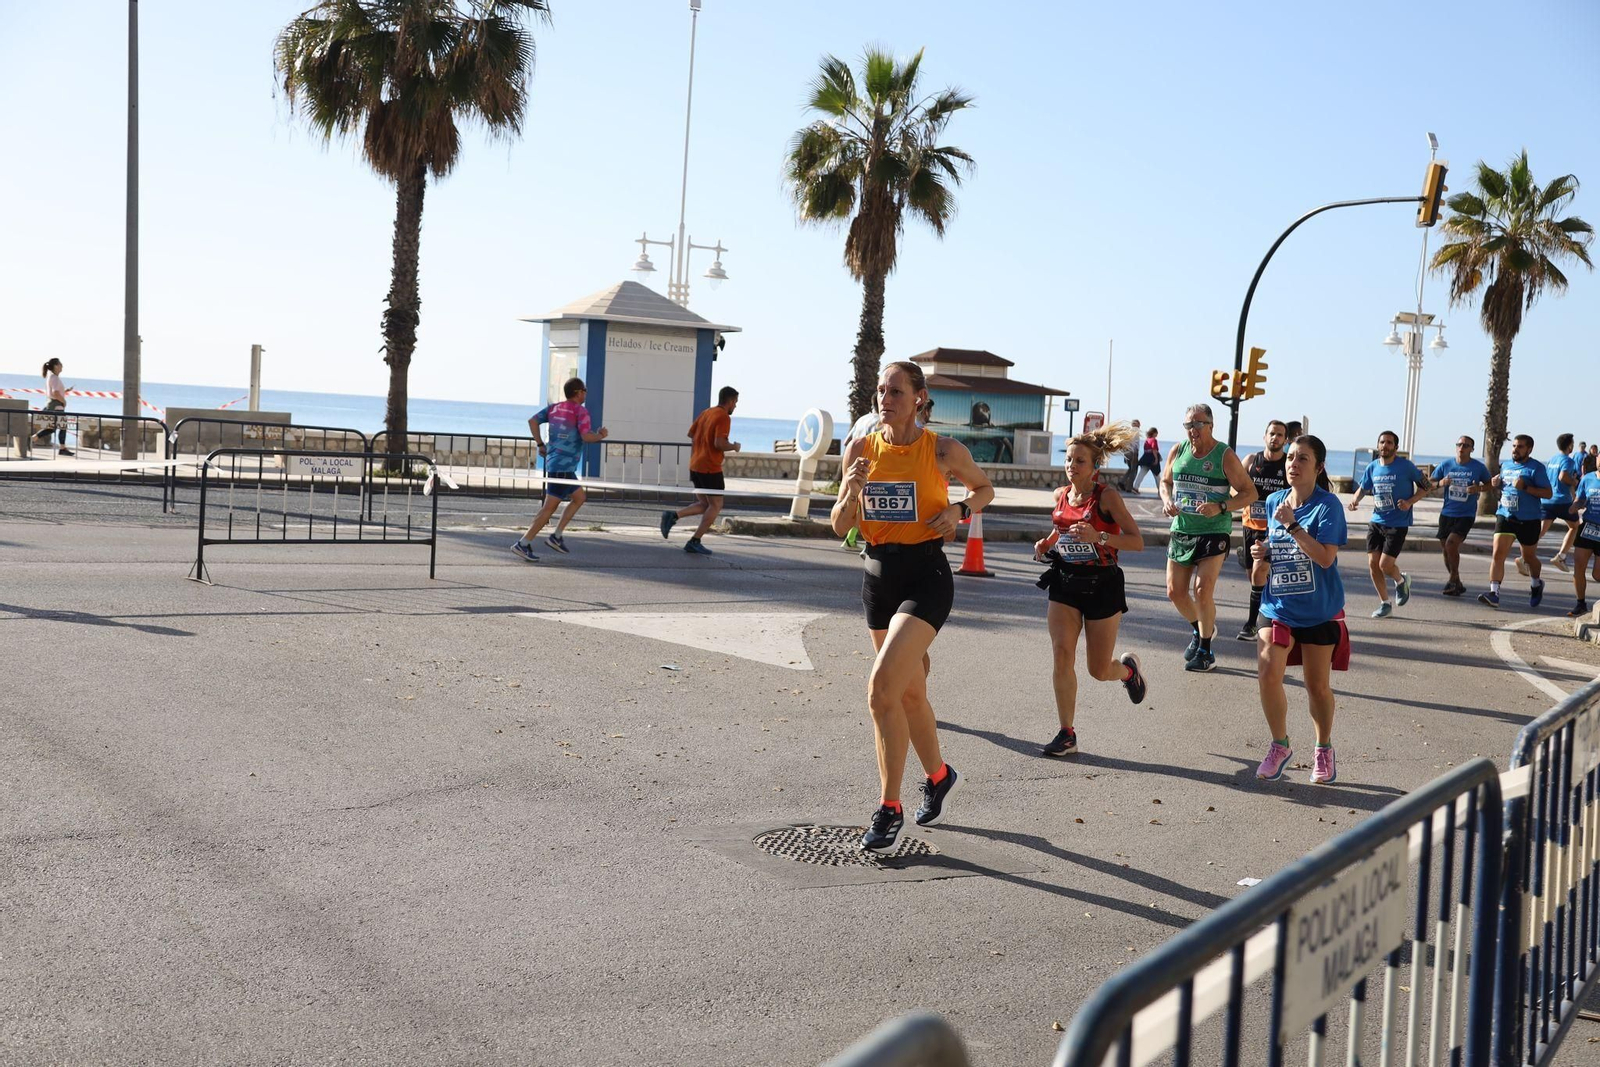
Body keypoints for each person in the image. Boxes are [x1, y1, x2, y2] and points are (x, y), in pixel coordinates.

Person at [830, 361, 994, 854]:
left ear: (919, 397)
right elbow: (840, 525)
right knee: (909, 696)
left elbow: (984, 488)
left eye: (896, 390)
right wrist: (853, 489)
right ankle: (940, 776)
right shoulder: (861, 449)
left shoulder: (941, 449)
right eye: (882, 390)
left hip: (927, 575)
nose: (886, 398)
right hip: (878, 576)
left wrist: (959, 511)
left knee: (881, 690)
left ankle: (888, 807)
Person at [1031, 424, 1148, 757]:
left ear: (1094, 466)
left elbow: (1137, 541)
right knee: (1062, 653)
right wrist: (1046, 543)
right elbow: (1062, 530)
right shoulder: (1061, 495)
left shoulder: (1106, 496)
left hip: (1102, 584)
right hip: (1065, 581)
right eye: (1068, 459)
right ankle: (1066, 733)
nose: (1072, 466)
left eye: (1079, 461)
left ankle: (1127, 671)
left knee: (1098, 670)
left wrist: (1100, 538)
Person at [1252, 434, 1350, 785]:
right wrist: (1261, 557)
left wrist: (1292, 525)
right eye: (1291, 457)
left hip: (1319, 611)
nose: (1293, 463)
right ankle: (1280, 746)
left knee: (1317, 687)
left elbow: (1325, 558)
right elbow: (1270, 557)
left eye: (1302, 458)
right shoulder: (1275, 501)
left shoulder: (1328, 506)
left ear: (1319, 466)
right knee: (1267, 675)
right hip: (1278, 606)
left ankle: (1323, 748)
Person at [1159, 403, 1257, 673]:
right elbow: (1165, 481)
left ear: (1211, 426)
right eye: (1189, 425)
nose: (1193, 430)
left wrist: (1221, 506)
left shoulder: (1224, 455)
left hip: (1214, 530)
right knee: (1174, 592)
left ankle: (1205, 650)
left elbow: (1250, 493)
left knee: (1202, 591)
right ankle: (1203, 629)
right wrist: (1167, 500)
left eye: (1198, 425)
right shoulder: (1177, 450)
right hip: (1182, 528)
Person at [511, 377, 608, 560]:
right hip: (563, 467)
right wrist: (601, 435)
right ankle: (523, 543)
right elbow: (586, 437)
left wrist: (540, 444)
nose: (586, 393)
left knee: (579, 497)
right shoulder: (581, 411)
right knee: (548, 508)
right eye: (584, 390)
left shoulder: (554, 408)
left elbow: (532, 421)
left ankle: (556, 536)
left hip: (558, 464)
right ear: (578, 392)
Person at [1347, 430, 1430, 618]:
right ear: (1378, 446)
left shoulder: (1406, 466)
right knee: (1373, 564)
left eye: (1389, 443)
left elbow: (1427, 486)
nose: (1385, 445)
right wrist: (1355, 500)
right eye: (1382, 442)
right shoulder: (1373, 467)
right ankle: (1385, 603)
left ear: (1396, 447)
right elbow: (1363, 488)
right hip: (1376, 521)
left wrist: (1410, 501)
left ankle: (1401, 581)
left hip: (1398, 523)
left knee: (1385, 565)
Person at [660, 387, 742, 555]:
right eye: (735, 403)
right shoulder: (723, 416)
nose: (735, 406)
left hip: (696, 465)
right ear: (731, 401)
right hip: (710, 468)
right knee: (716, 504)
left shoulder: (706, 413)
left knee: (705, 504)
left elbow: (692, 434)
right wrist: (734, 446)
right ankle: (694, 541)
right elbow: (719, 443)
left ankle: (673, 516)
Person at [1478, 433, 1553, 608]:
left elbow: (1548, 493)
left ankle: (1536, 583)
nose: (1515, 450)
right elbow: (1503, 487)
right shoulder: (1506, 466)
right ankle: (1494, 593)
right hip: (1505, 515)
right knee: (1497, 554)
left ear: (1529, 449)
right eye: (1514, 446)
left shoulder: (1536, 468)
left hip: (1529, 519)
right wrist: (1496, 483)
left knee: (1528, 558)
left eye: (1520, 447)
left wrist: (1526, 487)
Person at [1237, 420, 1289, 640]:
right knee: (1253, 575)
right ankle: (1266, 612)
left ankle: (1252, 624)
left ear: (1285, 440)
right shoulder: (1251, 460)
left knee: (1260, 570)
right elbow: (1235, 486)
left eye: (1279, 435)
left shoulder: (1287, 465)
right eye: (1271, 433)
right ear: (1264, 436)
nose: (1274, 438)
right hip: (1250, 524)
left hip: (1274, 529)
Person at [1428, 435, 1492, 595]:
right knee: (1446, 549)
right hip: (1447, 513)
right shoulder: (1446, 465)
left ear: (1472, 449)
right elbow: (1429, 483)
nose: (1462, 447)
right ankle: (1457, 583)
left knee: (1451, 544)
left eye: (1466, 445)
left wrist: (1478, 489)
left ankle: (1452, 579)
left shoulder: (1478, 467)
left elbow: (1490, 484)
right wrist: (1440, 483)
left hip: (1466, 514)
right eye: (1459, 444)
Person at [1540, 434, 1583, 573]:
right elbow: (1563, 477)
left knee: (1540, 531)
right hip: (1562, 500)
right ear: (1569, 445)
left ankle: (1524, 557)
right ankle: (1561, 556)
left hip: (1547, 500)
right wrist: (1574, 482)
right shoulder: (1568, 461)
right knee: (1575, 527)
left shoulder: (1552, 459)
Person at [1567, 467, 1600, 617]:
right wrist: (1576, 505)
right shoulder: (1588, 478)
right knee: (1579, 564)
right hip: (1588, 526)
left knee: (1597, 574)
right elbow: (1580, 498)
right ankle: (1581, 603)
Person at [33, 358, 73, 456]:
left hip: (53, 406)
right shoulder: (54, 378)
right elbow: (55, 393)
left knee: (53, 428)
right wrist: (64, 401)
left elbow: (54, 392)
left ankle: (33, 438)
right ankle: (62, 448)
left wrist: (65, 391)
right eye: (60, 364)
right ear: (56, 366)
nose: (62, 366)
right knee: (62, 426)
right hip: (57, 407)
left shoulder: (51, 377)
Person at [1118, 419, 1142, 491]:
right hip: (1133, 453)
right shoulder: (1136, 431)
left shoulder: (1128, 431)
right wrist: (1135, 454)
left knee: (1130, 469)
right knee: (1133, 470)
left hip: (1127, 452)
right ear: (1137, 425)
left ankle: (1122, 482)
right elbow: (1135, 444)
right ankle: (1129, 487)